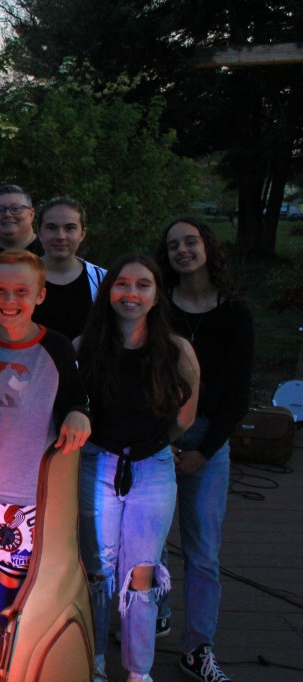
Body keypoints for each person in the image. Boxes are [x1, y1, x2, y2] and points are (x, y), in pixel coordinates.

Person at [0, 250, 91, 679]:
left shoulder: (57, 347)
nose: (10, 301)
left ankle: (4, 661)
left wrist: (78, 413)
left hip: (27, 495)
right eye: (1, 291)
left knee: (13, 587)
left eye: (21, 292)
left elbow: (76, 400)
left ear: (40, 295)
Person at [76, 254, 200, 682]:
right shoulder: (84, 347)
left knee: (141, 572)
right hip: (97, 463)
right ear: (108, 291)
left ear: (157, 295)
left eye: (143, 285)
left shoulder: (177, 350)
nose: (131, 293)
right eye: (122, 284)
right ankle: (92, 664)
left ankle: (138, 671)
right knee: (98, 571)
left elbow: (185, 417)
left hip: (152, 467)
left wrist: (154, 445)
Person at [154, 217, 252, 682]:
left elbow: (238, 394)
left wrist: (204, 452)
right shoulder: (159, 307)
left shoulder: (235, 314)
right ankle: (154, 613)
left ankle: (197, 648)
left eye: (190, 241)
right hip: (158, 438)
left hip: (210, 439)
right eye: (173, 244)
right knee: (150, 542)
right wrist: (162, 441)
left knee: (204, 551)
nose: (182, 250)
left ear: (207, 247)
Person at [32, 196, 107, 340]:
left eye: (70, 228)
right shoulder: (16, 277)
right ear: (39, 232)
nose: (60, 236)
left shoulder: (102, 280)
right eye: (51, 227)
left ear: (82, 234)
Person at [0, 184, 44, 268]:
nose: (7, 214)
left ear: (31, 214)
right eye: (0, 210)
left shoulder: (49, 253)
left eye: (15, 208)